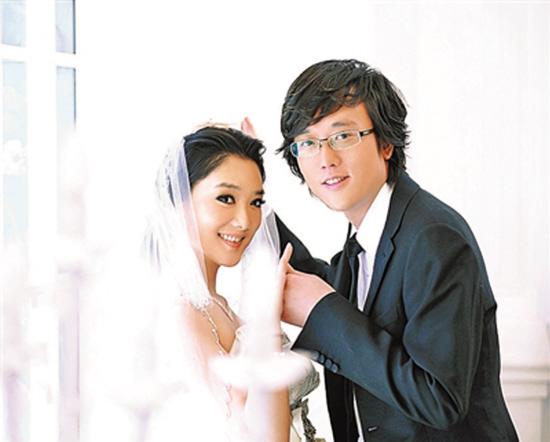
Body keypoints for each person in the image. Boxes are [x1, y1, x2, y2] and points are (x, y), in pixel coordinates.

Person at [273, 59, 519, 441]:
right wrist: (250, 203)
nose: (325, 159)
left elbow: (439, 399)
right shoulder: (367, 234)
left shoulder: (435, 237)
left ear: (386, 144)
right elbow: (334, 291)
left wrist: (322, 310)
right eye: (307, 143)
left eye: (343, 136)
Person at [144, 125, 320, 441]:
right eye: (226, 198)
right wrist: (266, 324)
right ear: (179, 203)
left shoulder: (220, 305)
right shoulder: (184, 314)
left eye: (255, 203)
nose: (244, 221)